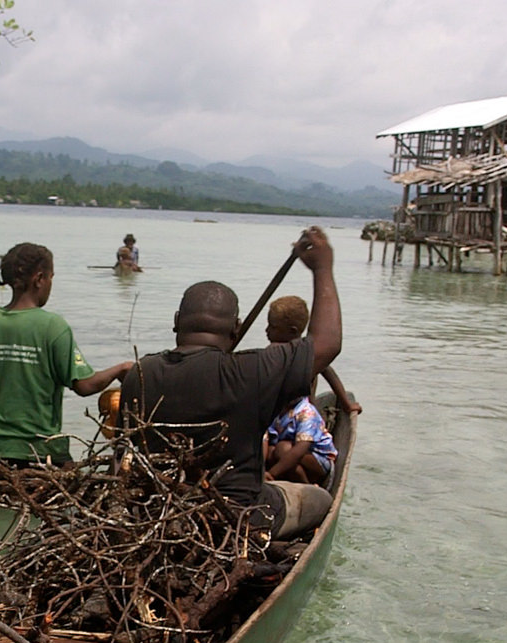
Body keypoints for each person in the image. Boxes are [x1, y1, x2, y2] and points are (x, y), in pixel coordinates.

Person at [118, 227, 342, 538]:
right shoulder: (252, 370)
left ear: (175, 322)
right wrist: (323, 268)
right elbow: (327, 344)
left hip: (157, 512)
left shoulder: (140, 373)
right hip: (240, 518)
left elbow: (125, 458)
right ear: (235, 330)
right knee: (320, 499)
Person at [0, 242, 132, 496]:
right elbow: (84, 386)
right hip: (37, 449)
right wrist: (121, 368)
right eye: (51, 278)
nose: (51, 284)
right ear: (39, 279)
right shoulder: (53, 326)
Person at [261, 295, 358, 485]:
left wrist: (346, 404)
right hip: (286, 418)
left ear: (292, 331)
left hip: (304, 420)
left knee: (283, 449)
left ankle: (308, 487)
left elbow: (329, 373)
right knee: (276, 449)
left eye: (272, 326)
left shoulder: (307, 354)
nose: (267, 330)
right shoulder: (272, 354)